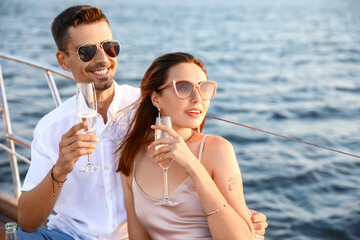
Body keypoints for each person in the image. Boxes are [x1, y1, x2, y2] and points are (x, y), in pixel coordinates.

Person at [17, 5, 267, 240]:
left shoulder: (150, 106)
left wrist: (241, 212)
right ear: (63, 61)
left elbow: (198, 149)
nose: (103, 59)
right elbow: (27, 221)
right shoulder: (50, 127)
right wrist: (59, 169)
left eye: (109, 47)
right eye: (87, 51)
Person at [117, 52, 264, 239]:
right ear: (156, 99)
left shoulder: (217, 149)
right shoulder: (132, 157)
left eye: (203, 88)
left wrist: (192, 165)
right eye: (183, 87)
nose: (197, 98)